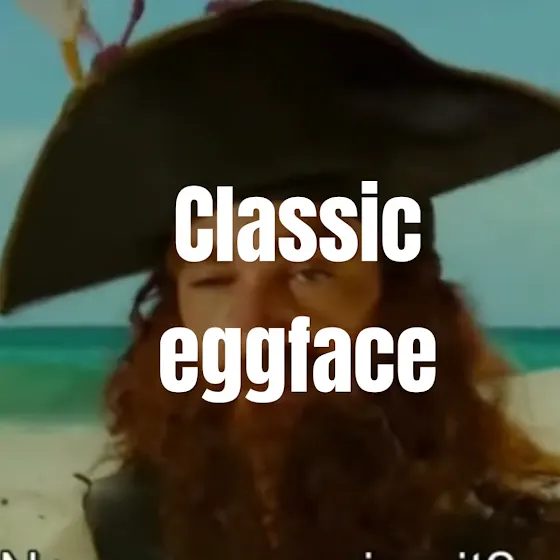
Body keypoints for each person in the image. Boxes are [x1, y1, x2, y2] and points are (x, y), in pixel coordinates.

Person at [2, 1, 560, 559]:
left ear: (402, 308)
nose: (247, 326)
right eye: (213, 281)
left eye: (308, 273)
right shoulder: (105, 543)